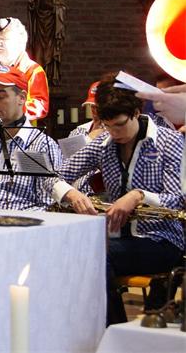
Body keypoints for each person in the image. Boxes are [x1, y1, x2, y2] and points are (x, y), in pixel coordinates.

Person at [51, 77, 184, 325]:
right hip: (117, 240)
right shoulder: (104, 143)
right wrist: (70, 194)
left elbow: (178, 199)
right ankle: (110, 327)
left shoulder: (170, 141)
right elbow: (53, 177)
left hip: (162, 240)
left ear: (136, 113)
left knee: (94, 254)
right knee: (74, 252)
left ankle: (112, 328)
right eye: (108, 126)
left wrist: (138, 195)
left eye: (120, 125)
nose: (114, 133)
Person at [0, 68, 62, 210]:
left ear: (22, 98)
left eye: (1, 96)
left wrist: (1, 215)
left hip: (20, 221)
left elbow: (48, 206)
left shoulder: (39, 145)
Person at [27, 0, 66, 86]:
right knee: (38, 52)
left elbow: (62, 7)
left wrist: (56, 10)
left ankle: (51, 76)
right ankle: (39, 77)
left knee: (51, 51)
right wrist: (32, 7)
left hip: (52, 27)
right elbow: (32, 7)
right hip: (39, 26)